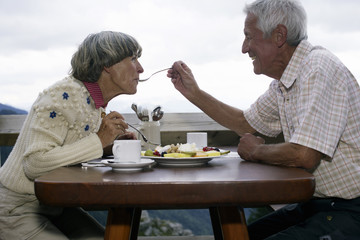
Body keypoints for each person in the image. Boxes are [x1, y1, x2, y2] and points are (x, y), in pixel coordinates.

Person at [167, 0, 360, 239]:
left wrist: (256, 152)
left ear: (279, 36)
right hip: (316, 204)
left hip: (351, 209)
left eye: (249, 36)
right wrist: (193, 93)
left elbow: (304, 155)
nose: (244, 47)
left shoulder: (317, 68)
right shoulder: (286, 80)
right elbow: (245, 123)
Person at [0, 31, 143, 239]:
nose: (140, 68)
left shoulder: (94, 103)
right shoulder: (63, 95)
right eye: (133, 59)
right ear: (108, 65)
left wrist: (108, 146)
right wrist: (99, 139)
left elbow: (69, 152)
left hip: (57, 206)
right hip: (15, 207)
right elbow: (35, 163)